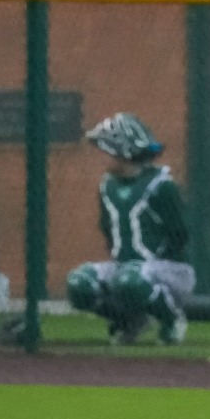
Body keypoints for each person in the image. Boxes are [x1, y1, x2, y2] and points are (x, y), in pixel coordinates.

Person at [65, 113, 195, 346]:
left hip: (170, 270)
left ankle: (172, 320)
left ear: (122, 151)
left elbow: (180, 233)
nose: (101, 157)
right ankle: (130, 320)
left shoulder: (161, 185)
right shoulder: (108, 186)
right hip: (126, 267)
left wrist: (152, 264)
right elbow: (108, 230)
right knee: (79, 283)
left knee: (130, 280)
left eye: (106, 150)